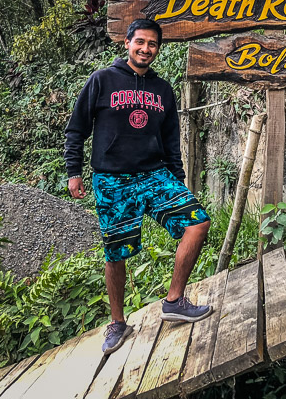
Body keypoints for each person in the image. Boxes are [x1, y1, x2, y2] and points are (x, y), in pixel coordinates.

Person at [64, 18, 212, 355]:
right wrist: (74, 172)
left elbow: (171, 138)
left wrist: (177, 177)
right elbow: (76, 130)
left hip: (153, 175)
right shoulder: (102, 80)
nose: (146, 49)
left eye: (153, 44)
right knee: (116, 252)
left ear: (158, 49)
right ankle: (117, 322)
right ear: (127, 43)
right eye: (140, 42)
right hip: (112, 180)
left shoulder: (162, 90)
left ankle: (174, 301)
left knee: (198, 223)